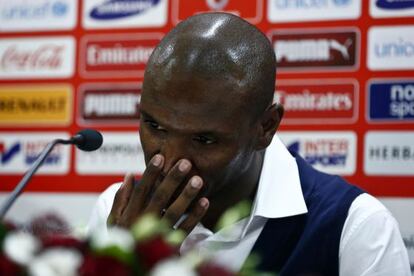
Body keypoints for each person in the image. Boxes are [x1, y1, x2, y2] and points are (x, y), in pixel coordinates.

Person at [88, 12, 411, 275]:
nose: (171, 161)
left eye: (204, 139)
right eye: (154, 126)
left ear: (266, 127)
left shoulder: (356, 229)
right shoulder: (116, 210)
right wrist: (124, 261)